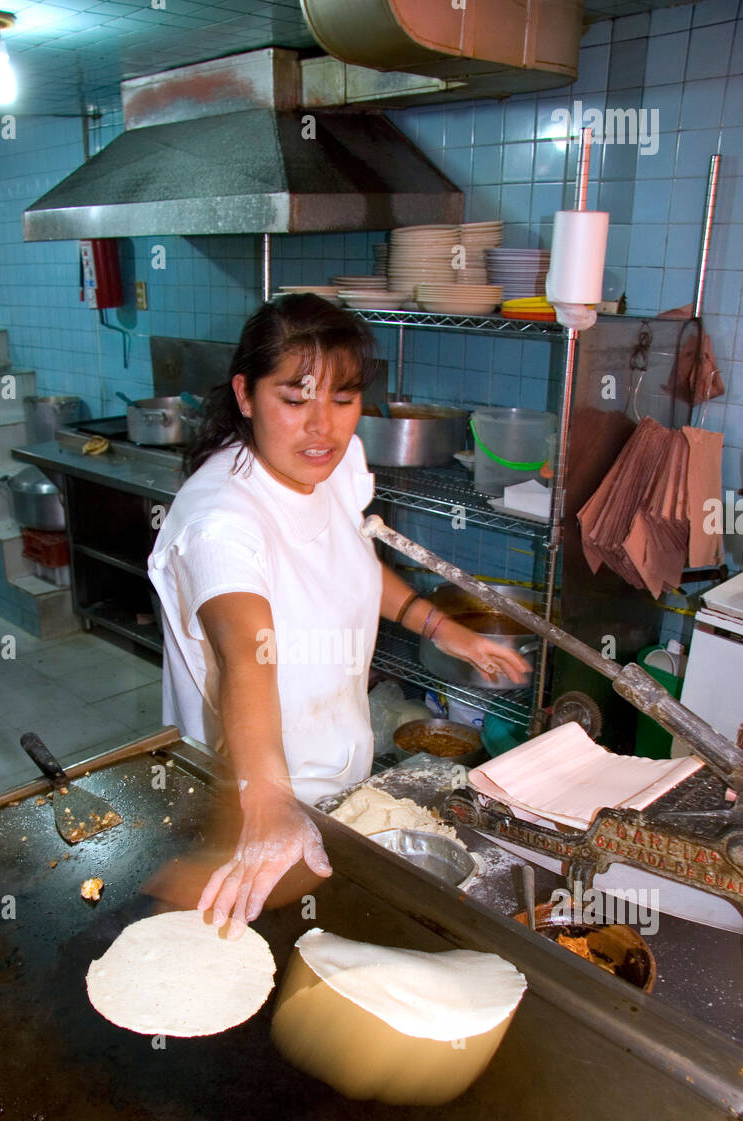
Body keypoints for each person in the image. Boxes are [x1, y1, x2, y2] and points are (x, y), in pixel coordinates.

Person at [148, 294, 528, 935]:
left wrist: (441, 627)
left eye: (344, 399)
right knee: (222, 947)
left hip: (330, 785)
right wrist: (267, 798)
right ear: (245, 395)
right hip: (243, 790)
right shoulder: (221, 521)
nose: (322, 427)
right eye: (294, 400)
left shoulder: (334, 464)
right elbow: (248, 655)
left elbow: (347, 553)